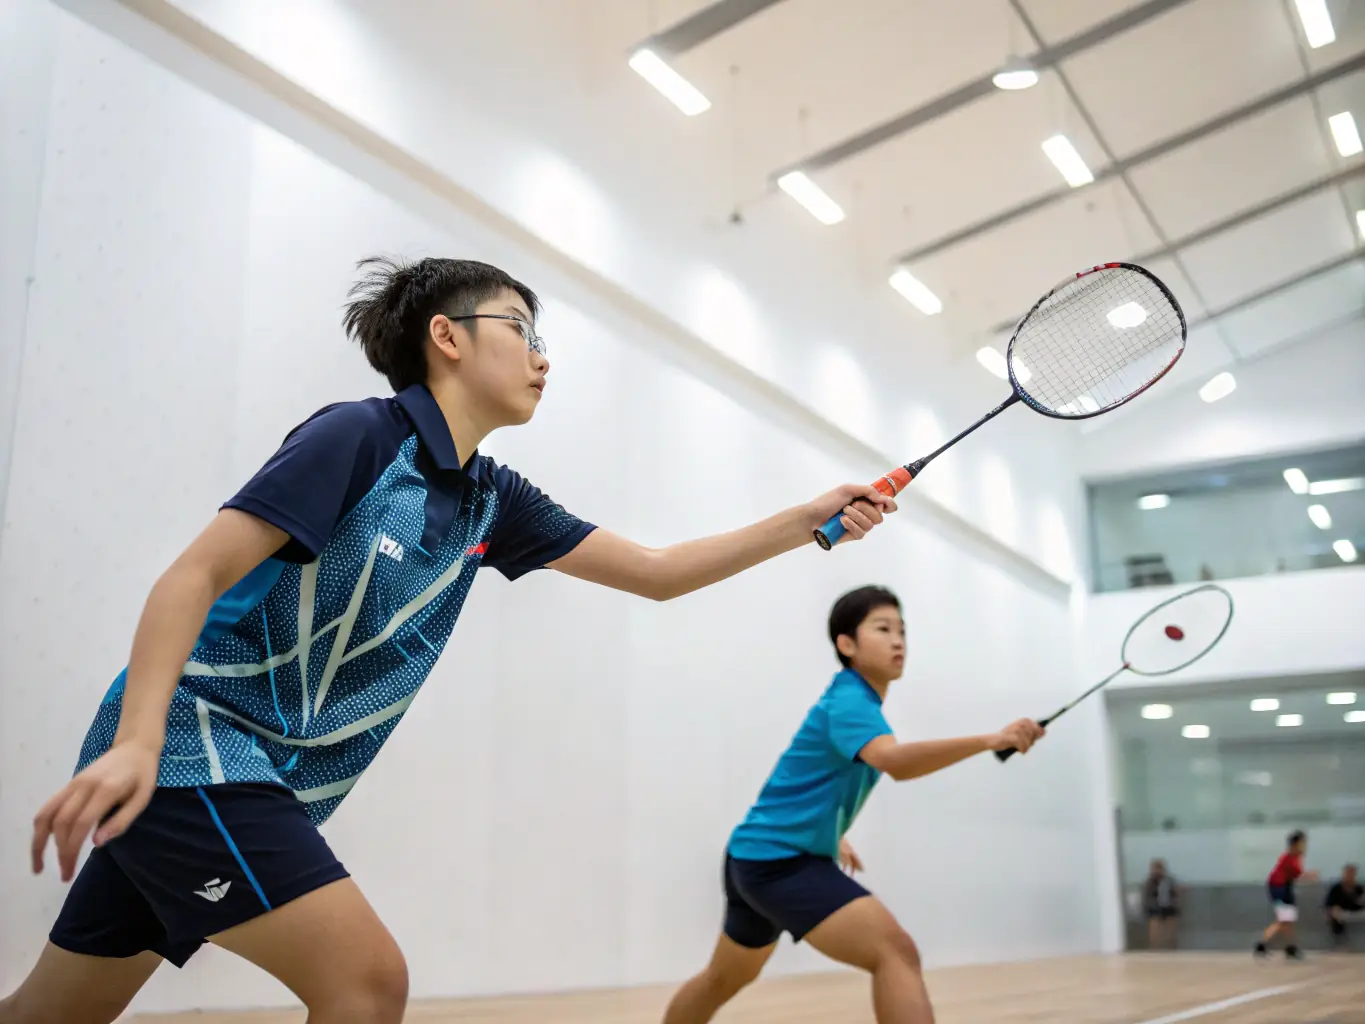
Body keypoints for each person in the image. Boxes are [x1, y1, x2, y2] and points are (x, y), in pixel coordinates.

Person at [1, 257, 900, 1024]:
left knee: (44, 1014)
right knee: (366, 979)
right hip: (194, 757)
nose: (543, 357)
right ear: (447, 337)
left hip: (257, 780)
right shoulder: (358, 437)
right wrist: (140, 744)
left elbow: (658, 571)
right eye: (521, 327)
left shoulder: (492, 500)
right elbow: (191, 577)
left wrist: (804, 522)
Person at [661, 586, 1045, 1024]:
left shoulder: (852, 700)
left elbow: (807, 777)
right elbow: (893, 762)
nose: (899, 641)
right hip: (780, 863)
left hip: (752, 856)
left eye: (902, 631)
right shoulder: (851, 700)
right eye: (883, 629)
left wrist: (833, 833)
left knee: (723, 979)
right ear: (847, 644)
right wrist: (989, 739)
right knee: (894, 952)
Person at [1255, 829, 1319, 960]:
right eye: (1302, 842)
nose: (1304, 845)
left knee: (1288, 920)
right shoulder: (1289, 857)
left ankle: (1290, 948)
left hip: (1286, 888)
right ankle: (1262, 945)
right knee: (1284, 920)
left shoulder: (1295, 856)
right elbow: (1298, 874)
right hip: (1279, 888)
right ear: (1296, 844)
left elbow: (1296, 875)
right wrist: (1310, 875)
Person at [1142, 858, 1181, 950]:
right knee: (1155, 933)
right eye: (1155, 868)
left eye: (1160, 868)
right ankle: (1155, 949)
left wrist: (1176, 903)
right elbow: (1147, 897)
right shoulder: (1149, 882)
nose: (1157, 871)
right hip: (1155, 909)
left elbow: (1175, 894)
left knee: (1171, 933)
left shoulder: (1169, 881)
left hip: (1169, 908)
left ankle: (1171, 949)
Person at [1325, 863, 1362, 948]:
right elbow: (1329, 904)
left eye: (1352, 873)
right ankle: (1340, 941)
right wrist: (1334, 911)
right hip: (1341, 913)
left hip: (1356, 912)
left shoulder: (1359, 888)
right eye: (1348, 873)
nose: (1350, 876)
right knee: (1335, 916)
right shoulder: (1336, 888)